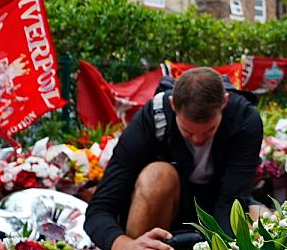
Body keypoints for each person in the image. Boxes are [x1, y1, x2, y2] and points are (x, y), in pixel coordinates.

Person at [84, 67, 264, 250]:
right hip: (161, 212)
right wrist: (126, 245)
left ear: (224, 103)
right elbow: (99, 209)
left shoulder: (245, 120)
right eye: (187, 131)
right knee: (158, 175)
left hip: (220, 206)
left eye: (209, 131)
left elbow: (232, 201)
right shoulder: (153, 118)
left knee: (265, 220)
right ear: (172, 105)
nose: (198, 140)